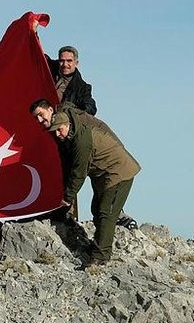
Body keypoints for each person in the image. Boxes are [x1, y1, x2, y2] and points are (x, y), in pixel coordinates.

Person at [47, 111, 140, 265]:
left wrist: (67, 197)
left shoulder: (82, 142)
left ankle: (101, 256)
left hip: (118, 172)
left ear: (68, 125)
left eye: (59, 129)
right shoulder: (72, 138)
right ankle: (98, 246)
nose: (57, 134)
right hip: (103, 175)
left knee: (106, 211)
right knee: (96, 209)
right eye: (54, 131)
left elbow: (78, 173)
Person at [29, 98, 138, 230]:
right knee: (97, 207)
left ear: (50, 109)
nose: (40, 120)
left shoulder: (70, 121)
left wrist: (67, 197)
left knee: (106, 206)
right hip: (97, 160)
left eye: (41, 115)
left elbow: (77, 169)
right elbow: (66, 159)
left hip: (106, 158)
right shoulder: (57, 126)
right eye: (36, 118)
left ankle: (118, 218)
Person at [45, 46, 97, 115]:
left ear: (76, 63)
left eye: (69, 61)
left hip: (59, 122)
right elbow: (36, 53)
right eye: (62, 61)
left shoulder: (82, 88)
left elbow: (91, 108)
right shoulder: (48, 68)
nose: (65, 64)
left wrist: (70, 112)